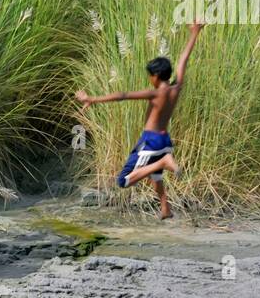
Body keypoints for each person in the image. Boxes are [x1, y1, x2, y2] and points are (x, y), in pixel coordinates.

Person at [74, 21, 204, 220]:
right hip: (164, 141)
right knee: (155, 175)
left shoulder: (155, 93)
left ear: (156, 76)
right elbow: (182, 61)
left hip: (151, 141)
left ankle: (165, 161)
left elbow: (122, 95)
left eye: (150, 75)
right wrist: (194, 33)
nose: (149, 79)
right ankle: (165, 208)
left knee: (123, 181)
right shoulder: (175, 89)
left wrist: (91, 99)